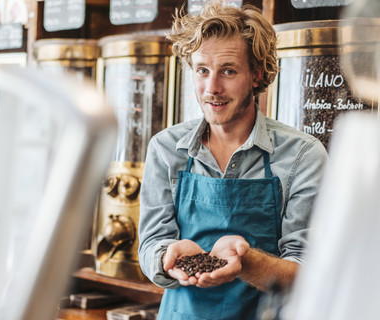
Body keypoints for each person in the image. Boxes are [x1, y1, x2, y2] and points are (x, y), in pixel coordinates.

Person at [137, 1, 329, 319]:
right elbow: (152, 243)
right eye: (202, 70)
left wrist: (247, 260)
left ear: (257, 73)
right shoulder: (165, 148)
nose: (212, 88)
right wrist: (166, 257)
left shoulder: (302, 156)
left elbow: (309, 273)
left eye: (228, 71)